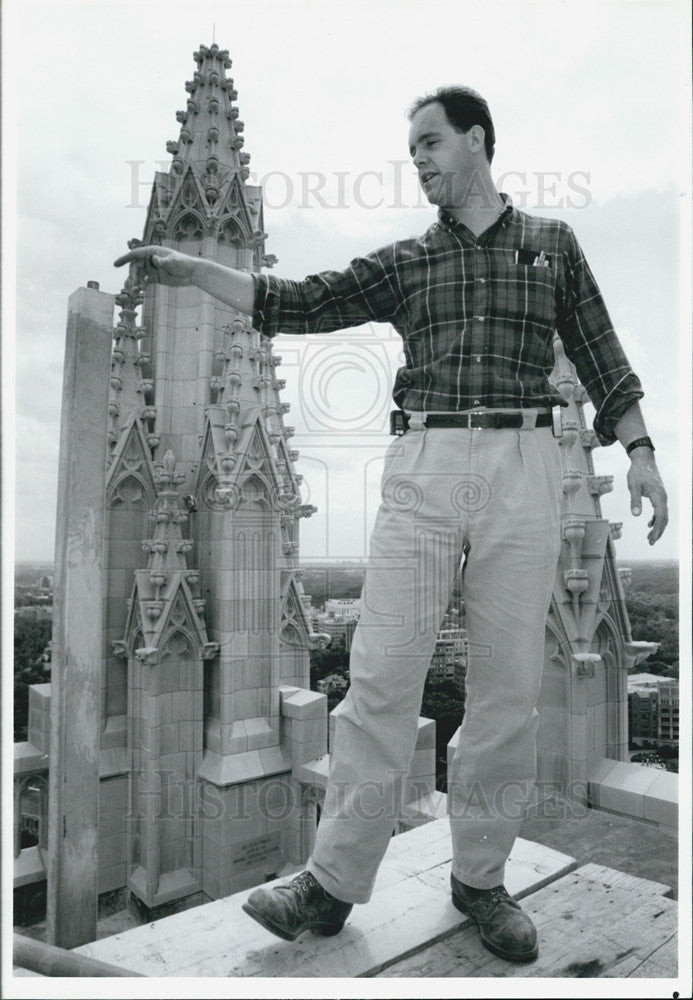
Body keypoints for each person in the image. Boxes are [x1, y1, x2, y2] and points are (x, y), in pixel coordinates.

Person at [115, 86, 668, 963]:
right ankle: (328, 885)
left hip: (524, 467)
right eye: (410, 148)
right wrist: (192, 270)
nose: (416, 159)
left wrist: (637, 450)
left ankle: (478, 881)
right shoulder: (409, 261)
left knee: (504, 695)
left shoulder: (551, 248)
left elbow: (602, 351)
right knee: (379, 679)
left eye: (429, 143)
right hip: (425, 467)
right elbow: (295, 300)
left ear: (476, 141)